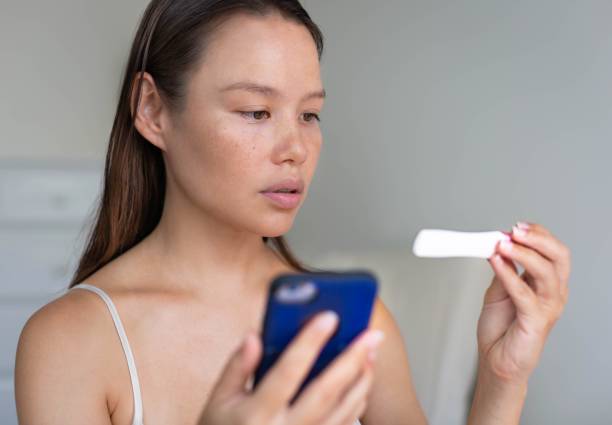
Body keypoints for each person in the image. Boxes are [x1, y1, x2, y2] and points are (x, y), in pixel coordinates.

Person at [14, 1, 571, 424]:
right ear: (153, 110)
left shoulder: (355, 323)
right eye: (256, 111)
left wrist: (502, 379)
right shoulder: (71, 342)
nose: (296, 149)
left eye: (310, 115)